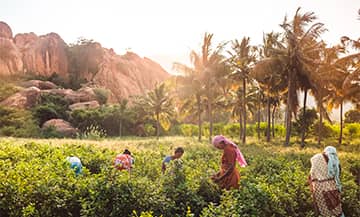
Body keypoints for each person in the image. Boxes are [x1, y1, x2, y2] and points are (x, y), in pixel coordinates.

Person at [309, 146, 345, 217]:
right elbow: (338, 174)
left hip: (318, 187)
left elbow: (311, 174)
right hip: (332, 186)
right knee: (336, 209)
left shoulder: (317, 157)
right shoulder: (335, 160)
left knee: (323, 210)